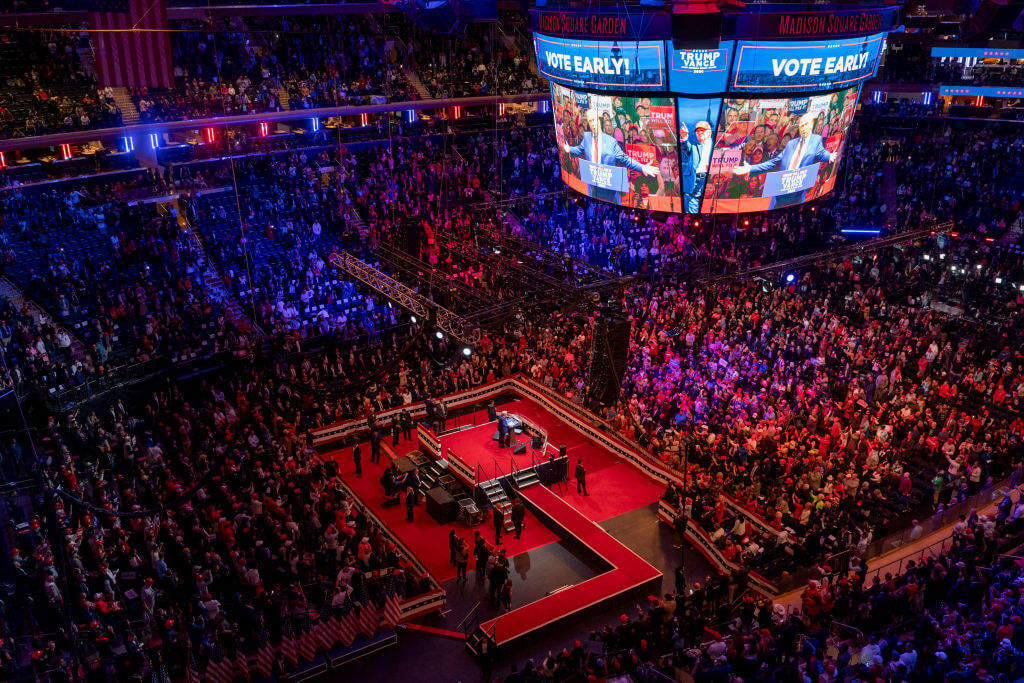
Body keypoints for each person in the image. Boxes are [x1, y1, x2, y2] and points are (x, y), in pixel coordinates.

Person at [732, 112, 834, 207]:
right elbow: (773, 162)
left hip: (799, 191)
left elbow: (822, 153)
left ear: (811, 125)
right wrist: (750, 168)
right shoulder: (791, 144)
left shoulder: (815, 140)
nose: (804, 127)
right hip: (782, 190)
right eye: (802, 125)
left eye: (806, 124)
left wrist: (830, 156)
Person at [563, 107, 659, 205]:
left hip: (608, 190)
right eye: (590, 121)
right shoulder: (587, 137)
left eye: (594, 120)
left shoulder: (611, 142)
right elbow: (579, 148)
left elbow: (624, 158)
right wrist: (569, 149)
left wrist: (642, 167)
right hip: (592, 187)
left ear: (599, 121)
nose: (592, 123)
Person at [679, 120, 713, 213]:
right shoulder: (694, 145)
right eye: (698, 131)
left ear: (710, 132)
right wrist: (684, 137)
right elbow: (685, 147)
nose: (700, 132)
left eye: (703, 130)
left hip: (711, 179)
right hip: (696, 178)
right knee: (692, 204)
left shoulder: (716, 145)